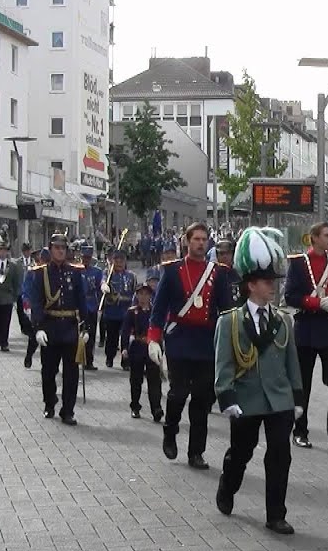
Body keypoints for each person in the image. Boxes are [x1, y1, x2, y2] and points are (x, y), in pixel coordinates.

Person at [214, 227, 305, 535]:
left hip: (279, 398)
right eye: (267, 283)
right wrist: (226, 397)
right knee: (242, 451)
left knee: (280, 454)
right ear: (251, 285)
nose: (272, 288)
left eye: (273, 283)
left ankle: (276, 514)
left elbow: (292, 360)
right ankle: (228, 486)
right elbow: (224, 362)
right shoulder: (230, 321)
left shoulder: (282, 320)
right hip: (246, 397)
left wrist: (298, 399)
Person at [146, 222, 237, 468]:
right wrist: (154, 339)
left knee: (201, 399)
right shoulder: (173, 270)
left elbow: (226, 308)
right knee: (177, 393)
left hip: (206, 341)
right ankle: (170, 430)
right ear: (187, 241)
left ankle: (196, 452)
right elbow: (159, 308)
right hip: (179, 338)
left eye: (204, 239)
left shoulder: (216, 273)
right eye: (196, 239)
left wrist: (232, 341)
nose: (200, 243)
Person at [285, 222, 328, 451]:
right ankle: (300, 430)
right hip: (306, 328)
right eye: (326, 235)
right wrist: (315, 303)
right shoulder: (297, 264)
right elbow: (290, 296)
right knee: (302, 384)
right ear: (314, 238)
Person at [25, 235, 90, 426]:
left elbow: (82, 301)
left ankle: (68, 410)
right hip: (51, 328)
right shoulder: (41, 273)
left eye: (63, 247)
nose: (60, 251)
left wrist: (85, 327)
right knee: (48, 372)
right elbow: (36, 302)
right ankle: (49, 402)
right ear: (50, 249)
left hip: (70, 328)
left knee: (71, 374)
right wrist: (38, 328)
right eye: (56, 247)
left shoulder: (75, 272)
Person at [121, 283, 162, 419]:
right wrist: (125, 348)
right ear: (137, 295)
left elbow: (160, 329)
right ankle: (135, 406)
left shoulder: (155, 311)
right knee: (136, 380)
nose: (143, 297)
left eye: (146, 294)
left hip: (151, 348)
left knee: (154, 380)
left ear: (150, 295)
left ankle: (156, 408)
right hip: (137, 347)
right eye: (140, 294)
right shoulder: (132, 312)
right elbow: (125, 331)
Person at [100, 249, 137, 369]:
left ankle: (125, 361)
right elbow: (103, 281)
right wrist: (104, 285)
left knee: (126, 338)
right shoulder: (108, 273)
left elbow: (135, 291)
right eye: (117, 260)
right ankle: (109, 357)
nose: (119, 262)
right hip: (112, 311)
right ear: (112, 261)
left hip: (126, 311)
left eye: (122, 260)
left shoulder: (131, 276)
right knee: (112, 337)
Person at [78, 244, 104, 370]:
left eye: (88, 258)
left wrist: (100, 304)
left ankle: (89, 360)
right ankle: (79, 359)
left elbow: (100, 288)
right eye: (84, 257)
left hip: (92, 306)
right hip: (79, 307)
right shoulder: (76, 270)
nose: (85, 260)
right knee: (80, 335)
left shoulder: (97, 272)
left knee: (91, 335)